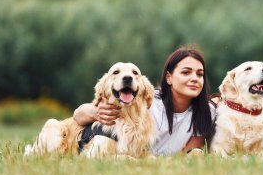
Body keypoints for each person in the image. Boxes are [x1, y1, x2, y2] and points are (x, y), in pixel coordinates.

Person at [73, 46, 216, 156]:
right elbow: (78, 115)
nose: (194, 79)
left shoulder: (206, 110)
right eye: (186, 72)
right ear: (169, 78)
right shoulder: (146, 100)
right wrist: (95, 112)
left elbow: (189, 152)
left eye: (200, 74)